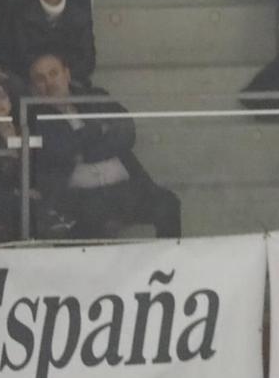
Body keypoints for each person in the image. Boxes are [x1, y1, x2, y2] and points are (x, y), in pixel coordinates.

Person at [24, 52, 179, 239]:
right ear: (33, 88)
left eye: (54, 73)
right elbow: (59, 150)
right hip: (80, 197)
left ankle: (168, 264)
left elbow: (126, 131)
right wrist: (99, 131)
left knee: (167, 204)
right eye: (41, 79)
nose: (49, 83)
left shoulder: (96, 97)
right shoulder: (33, 118)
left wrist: (82, 151)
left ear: (67, 74)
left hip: (126, 187)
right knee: (94, 216)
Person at [10, 0, 95, 82]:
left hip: (71, 82)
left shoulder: (80, 16)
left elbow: (88, 60)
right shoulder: (21, 15)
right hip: (34, 83)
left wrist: (62, 78)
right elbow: (20, 58)